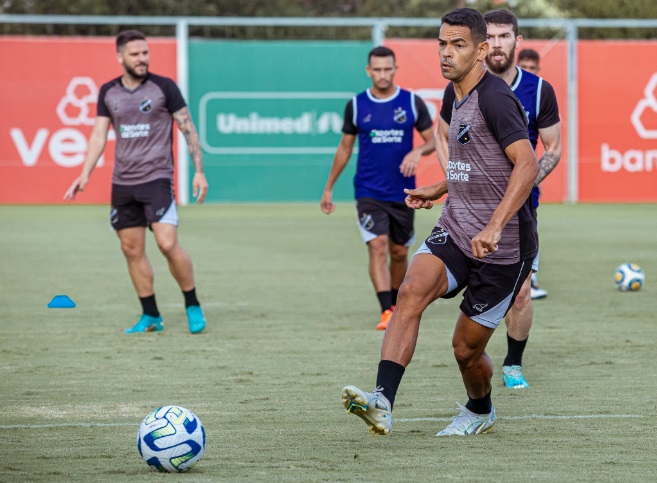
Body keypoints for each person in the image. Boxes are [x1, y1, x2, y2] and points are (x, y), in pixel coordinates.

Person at [341, 8, 538, 436]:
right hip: (456, 227)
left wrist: (495, 227)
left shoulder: (496, 98)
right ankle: (382, 402)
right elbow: (477, 162)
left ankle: (480, 410)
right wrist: (440, 186)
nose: (446, 53)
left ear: (483, 50)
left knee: (465, 351)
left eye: (458, 44)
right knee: (410, 291)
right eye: (442, 44)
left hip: (503, 249)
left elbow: (526, 165)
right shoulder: (455, 94)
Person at [64, 30, 209, 334]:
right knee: (131, 250)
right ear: (120, 58)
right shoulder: (108, 92)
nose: (142, 58)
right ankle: (151, 314)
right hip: (123, 183)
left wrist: (199, 170)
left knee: (167, 243)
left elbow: (188, 129)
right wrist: (85, 173)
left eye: (145, 53)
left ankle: (192, 303)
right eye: (135, 54)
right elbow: (99, 135)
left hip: (157, 179)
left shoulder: (164, 87)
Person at [320, 46, 435, 331]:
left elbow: (433, 141)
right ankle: (386, 310)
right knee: (377, 246)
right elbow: (345, 148)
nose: (382, 74)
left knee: (398, 252)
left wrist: (418, 152)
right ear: (368, 71)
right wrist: (328, 188)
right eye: (377, 69)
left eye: (388, 69)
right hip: (369, 191)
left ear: (395, 70)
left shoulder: (411, 103)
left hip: (405, 194)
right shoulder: (357, 105)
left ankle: (396, 305)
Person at [483, 8, 562, 388]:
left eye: (504, 36)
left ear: (517, 40)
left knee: (521, 291)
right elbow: (443, 135)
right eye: (491, 37)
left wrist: (525, 185)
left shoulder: (540, 90)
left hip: (521, 211)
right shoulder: (465, 86)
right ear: (482, 42)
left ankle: (513, 363)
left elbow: (552, 149)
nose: (497, 44)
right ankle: (469, 354)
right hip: (472, 207)